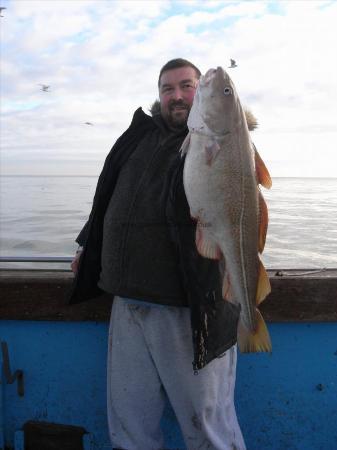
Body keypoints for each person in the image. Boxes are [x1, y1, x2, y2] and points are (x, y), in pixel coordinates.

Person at [69, 58, 246, 450]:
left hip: (190, 308)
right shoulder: (137, 135)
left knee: (208, 428)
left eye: (187, 86)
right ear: (159, 95)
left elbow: (236, 201)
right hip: (128, 302)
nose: (177, 96)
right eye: (168, 88)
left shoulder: (218, 140)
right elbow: (108, 194)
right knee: (130, 429)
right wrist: (88, 245)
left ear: (201, 93)